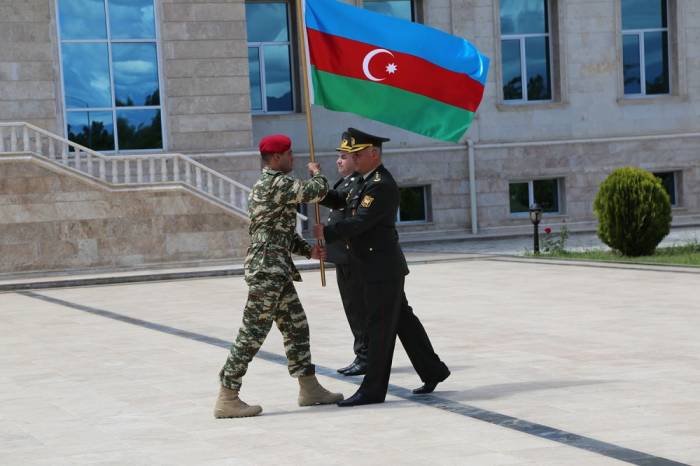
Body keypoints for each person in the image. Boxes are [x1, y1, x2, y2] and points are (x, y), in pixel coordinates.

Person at [314, 128, 450, 407]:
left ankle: (372, 390)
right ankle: (434, 370)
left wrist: (327, 233)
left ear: (374, 154)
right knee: (403, 321)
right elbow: (342, 200)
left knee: (378, 329)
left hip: (381, 268)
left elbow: (362, 221)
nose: (354, 159)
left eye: (358, 154)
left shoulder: (380, 184)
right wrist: (315, 192)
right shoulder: (363, 181)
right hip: (374, 265)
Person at [214, 134, 344, 418]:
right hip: (267, 269)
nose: (292, 158)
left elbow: (278, 232)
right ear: (275, 159)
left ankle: (309, 388)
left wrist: (307, 250)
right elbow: (314, 192)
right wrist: (318, 175)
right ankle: (227, 395)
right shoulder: (276, 182)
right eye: (288, 154)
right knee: (252, 333)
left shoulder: (270, 185)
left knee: (297, 326)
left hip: (276, 267)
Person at [319, 151, 367, 376]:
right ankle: (365, 353)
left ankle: (365, 355)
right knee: (353, 307)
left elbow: (338, 200)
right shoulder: (346, 181)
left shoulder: (358, 183)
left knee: (357, 308)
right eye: (338, 156)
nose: (338, 160)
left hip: (351, 256)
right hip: (342, 255)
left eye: (344, 157)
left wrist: (317, 178)